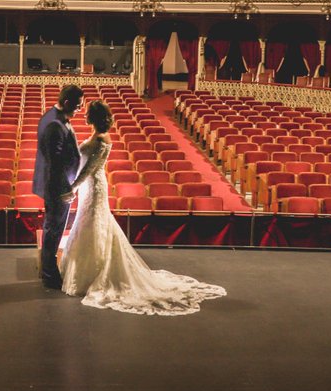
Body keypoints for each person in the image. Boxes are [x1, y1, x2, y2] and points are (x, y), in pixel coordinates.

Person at [59, 99, 226, 315]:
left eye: (88, 112)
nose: (84, 115)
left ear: (95, 117)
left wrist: (73, 187)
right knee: (88, 224)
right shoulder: (96, 136)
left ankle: (95, 273)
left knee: (93, 224)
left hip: (94, 186)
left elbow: (89, 169)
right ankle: (88, 270)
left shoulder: (100, 140)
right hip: (90, 188)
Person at [32, 84, 84, 289]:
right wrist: (66, 190)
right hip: (57, 188)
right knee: (54, 230)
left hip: (56, 185)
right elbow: (55, 164)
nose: (80, 109)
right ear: (67, 103)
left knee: (52, 229)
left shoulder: (52, 117)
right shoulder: (55, 124)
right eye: (78, 105)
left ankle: (49, 271)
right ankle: (50, 275)